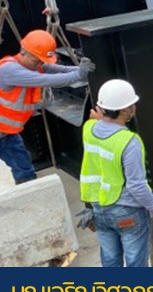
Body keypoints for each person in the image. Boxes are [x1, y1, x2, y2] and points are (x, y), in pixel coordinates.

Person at [80, 79, 153, 267]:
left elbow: (97, 124)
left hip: (99, 209)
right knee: (135, 264)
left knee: (110, 261)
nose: (135, 106)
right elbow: (136, 186)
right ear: (124, 110)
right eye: (132, 103)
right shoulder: (129, 141)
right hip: (127, 213)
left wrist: (99, 118)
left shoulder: (88, 129)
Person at [0, 30, 94, 184]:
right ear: (23, 53)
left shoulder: (34, 66)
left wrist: (83, 70)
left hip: (7, 133)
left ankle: (30, 187)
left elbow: (61, 70)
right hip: (4, 132)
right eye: (36, 60)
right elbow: (48, 80)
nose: (40, 64)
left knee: (23, 165)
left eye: (42, 61)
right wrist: (79, 75)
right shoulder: (9, 70)